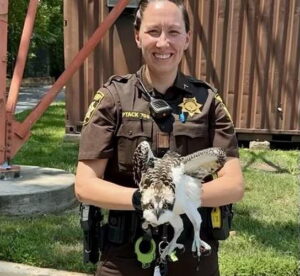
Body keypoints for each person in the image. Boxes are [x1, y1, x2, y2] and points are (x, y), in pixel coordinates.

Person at [75, 0, 244, 275]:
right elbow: (85, 185)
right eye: (153, 31)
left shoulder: (208, 101)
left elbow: (234, 185)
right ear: (137, 36)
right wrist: (145, 199)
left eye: (174, 32)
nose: (163, 43)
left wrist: (176, 200)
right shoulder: (113, 98)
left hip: (192, 257)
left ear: (187, 39)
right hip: (125, 255)